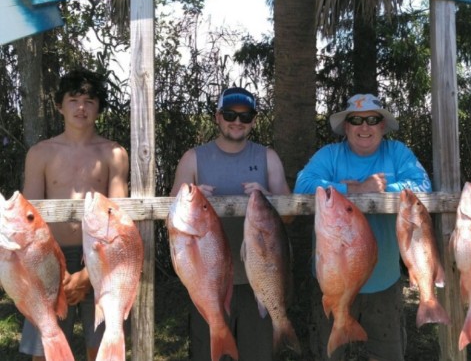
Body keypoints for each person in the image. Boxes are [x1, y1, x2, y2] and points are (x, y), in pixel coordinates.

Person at [294, 93, 432, 361]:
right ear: (346, 127)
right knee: (328, 354)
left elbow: (424, 186)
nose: (364, 126)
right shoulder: (329, 155)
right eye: (356, 120)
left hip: (384, 282)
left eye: (372, 119)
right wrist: (357, 188)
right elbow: (303, 185)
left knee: (388, 355)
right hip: (331, 285)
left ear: (383, 126)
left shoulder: (398, 153)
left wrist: (383, 191)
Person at [170, 86, 290, 361]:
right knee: (209, 354)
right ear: (217, 117)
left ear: (254, 121)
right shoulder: (193, 158)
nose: (237, 121)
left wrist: (268, 198)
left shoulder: (267, 157)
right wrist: (192, 197)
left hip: (257, 281)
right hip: (207, 282)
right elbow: (170, 210)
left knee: (256, 355)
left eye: (245, 116)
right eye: (229, 114)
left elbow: (290, 211)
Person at [20, 68, 129, 361]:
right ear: (59, 104)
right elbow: (29, 219)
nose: (81, 107)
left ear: (99, 108)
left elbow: (117, 220)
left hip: (100, 255)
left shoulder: (114, 153)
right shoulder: (40, 153)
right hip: (47, 260)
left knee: (104, 348)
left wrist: (89, 274)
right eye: (73, 99)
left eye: (90, 100)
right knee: (45, 350)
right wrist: (52, 269)